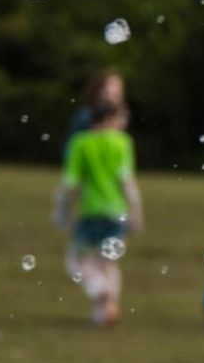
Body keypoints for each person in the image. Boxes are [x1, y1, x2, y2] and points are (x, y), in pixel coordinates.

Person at [55, 99, 143, 327]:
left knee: (78, 260)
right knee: (107, 263)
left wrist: (63, 213)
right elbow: (127, 183)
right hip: (117, 213)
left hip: (90, 212)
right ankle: (105, 310)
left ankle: (100, 291)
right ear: (110, 118)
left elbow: (70, 185)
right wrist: (136, 213)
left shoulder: (81, 142)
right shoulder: (122, 142)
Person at [65, 69, 125, 152]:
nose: (113, 90)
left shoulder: (122, 113)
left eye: (117, 86)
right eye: (110, 85)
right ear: (100, 89)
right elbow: (72, 144)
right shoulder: (85, 115)